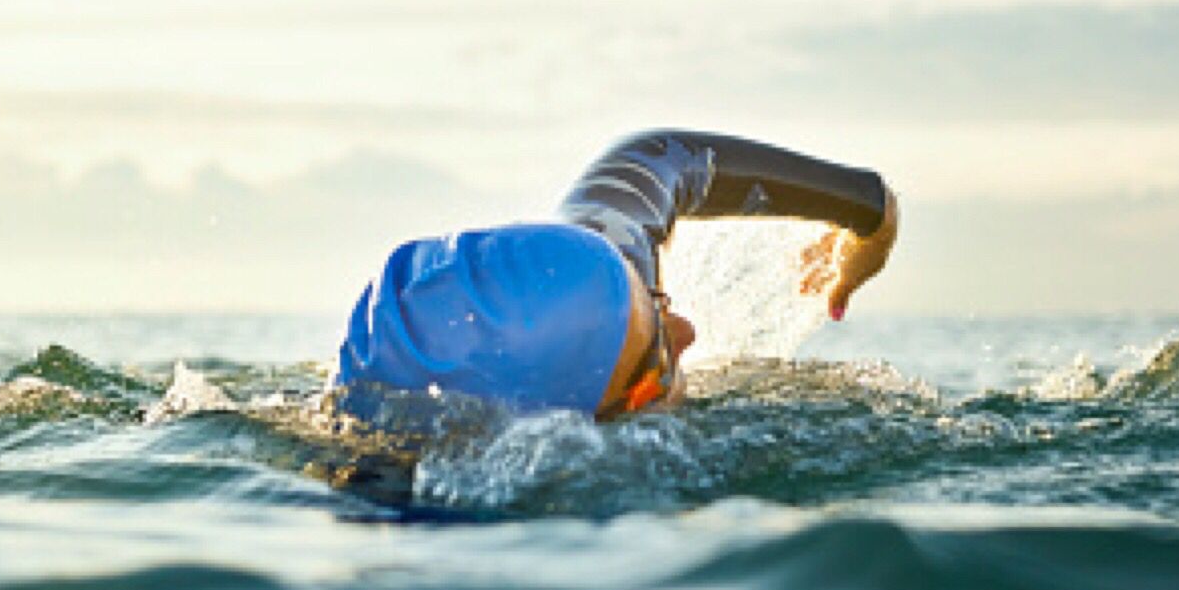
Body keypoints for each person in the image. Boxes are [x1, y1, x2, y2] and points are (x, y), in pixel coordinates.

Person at [335, 130, 900, 423]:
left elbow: (658, 158)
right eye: (655, 367)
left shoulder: (600, 269)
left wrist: (872, 216)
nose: (687, 332)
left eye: (656, 299)